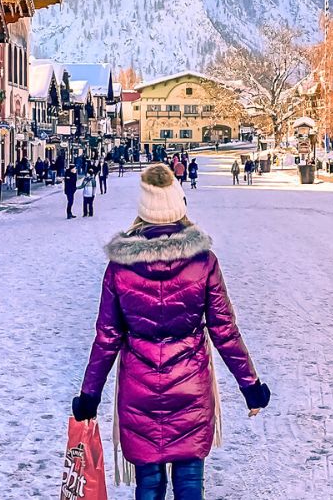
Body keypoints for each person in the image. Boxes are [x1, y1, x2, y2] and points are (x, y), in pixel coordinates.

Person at [72, 165, 270, 499]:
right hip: (191, 388)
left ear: (143, 211)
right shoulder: (203, 261)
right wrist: (250, 386)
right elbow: (224, 330)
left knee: (148, 485)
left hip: (139, 392)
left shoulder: (121, 267)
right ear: (179, 205)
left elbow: (107, 337)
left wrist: (89, 398)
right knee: (190, 484)